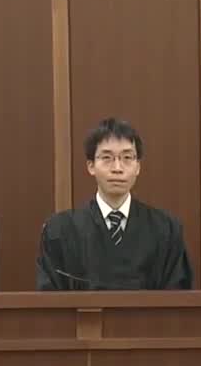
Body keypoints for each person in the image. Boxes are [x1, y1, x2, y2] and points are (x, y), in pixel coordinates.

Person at [36, 118, 192, 290]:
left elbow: (177, 297)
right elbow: (51, 299)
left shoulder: (166, 228)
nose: (117, 168)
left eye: (127, 157)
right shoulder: (60, 230)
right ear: (91, 166)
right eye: (107, 158)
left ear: (138, 167)